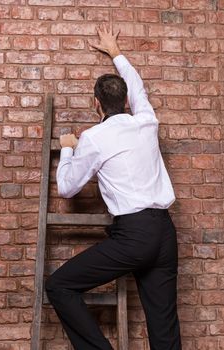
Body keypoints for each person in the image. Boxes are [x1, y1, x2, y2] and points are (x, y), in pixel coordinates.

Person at [46, 25, 182, 350]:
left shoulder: (94, 138)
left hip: (133, 236)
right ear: (125, 101)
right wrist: (116, 53)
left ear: (96, 104)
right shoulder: (146, 121)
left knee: (59, 286)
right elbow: (139, 88)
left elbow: (66, 187)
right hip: (164, 232)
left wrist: (68, 147)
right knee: (164, 329)